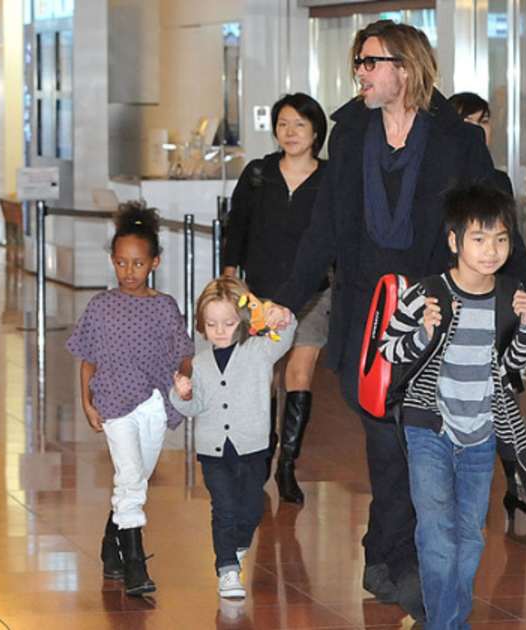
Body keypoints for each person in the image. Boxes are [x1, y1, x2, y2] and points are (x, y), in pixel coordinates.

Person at [262, 20, 526, 619]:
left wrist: (523, 295)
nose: (359, 72)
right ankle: (389, 556)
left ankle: (390, 560)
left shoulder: (456, 140)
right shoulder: (352, 129)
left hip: (438, 312)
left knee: (417, 443)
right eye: (357, 62)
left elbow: (495, 215)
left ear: (404, 68)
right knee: (386, 443)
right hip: (367, 311)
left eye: (369, 61)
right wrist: (287, 295)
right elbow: (326, 227)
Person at [378, 184, 526, 630]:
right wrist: (423, 336)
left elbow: (513, 369)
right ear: (454, 242)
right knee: (437, 536)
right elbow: (388, 352)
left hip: (482, 432)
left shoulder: (510, 295)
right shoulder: (428, 294)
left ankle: (445, 621)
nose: (492, 250)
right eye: (479, 239)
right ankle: (448, 625)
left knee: (470, 538)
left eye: (502, 239)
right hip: (429, 428)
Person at [65, 202, 195, 597]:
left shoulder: (164, 307)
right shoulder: (101, 306)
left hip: (154, 403)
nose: (129, 272)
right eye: (121, 263)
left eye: (137, 264)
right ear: (112, 261)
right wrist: (88, 402)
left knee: (134, 478)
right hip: (114, 403)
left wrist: (183, 375)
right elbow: (87, 357)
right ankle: (135, 564)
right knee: (129, 480)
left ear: (154, 262)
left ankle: (111, 544)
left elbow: (184, 350)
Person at [221, 92, 329, 505]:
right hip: (261, 294)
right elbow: (238, 226)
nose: (290, 132)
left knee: (299, 374)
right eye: (283, 124)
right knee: (262, 375)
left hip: (314, 293)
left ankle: (287, 464)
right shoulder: (258, 174)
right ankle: (262, 455)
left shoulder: (329, 179)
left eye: (299, 124)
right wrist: (231, 275)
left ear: (316, 130)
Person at [169, 277, 295, 598]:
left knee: (252, 508)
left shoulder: (259, 351)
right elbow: (195, 406)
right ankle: (227, 568)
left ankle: (237, 545)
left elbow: (286, 335)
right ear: (201, 325)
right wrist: (182, 394)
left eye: (227, 323)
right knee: (224, 507)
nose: (220, 330)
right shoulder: (201, 363)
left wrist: (281, 316)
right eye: (211, 324)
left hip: (252, 448)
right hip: (214, 451)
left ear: (240, 321)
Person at [446, 91, 513, 196]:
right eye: (467, 122)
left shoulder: (500, 182)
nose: (477, 130)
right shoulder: (439, 179)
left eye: (483, 121)